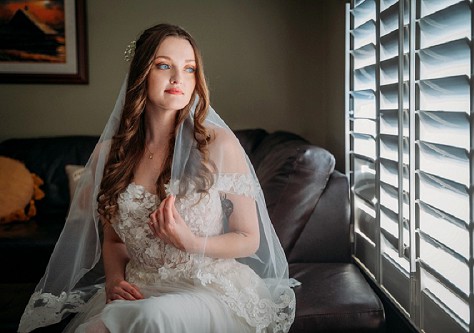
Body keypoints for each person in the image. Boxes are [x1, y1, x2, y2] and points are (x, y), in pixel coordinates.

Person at [18, 23, 296, 333]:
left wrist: (190, 242)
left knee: (150, 318)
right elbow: (113, 239)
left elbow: (248, 240)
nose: (179, 78)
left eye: (189, 69)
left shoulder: (218, 145)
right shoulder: (110, 155)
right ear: (141, 73)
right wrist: (114, 280)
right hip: (141, 289)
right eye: (164, 65)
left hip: (207, 291)